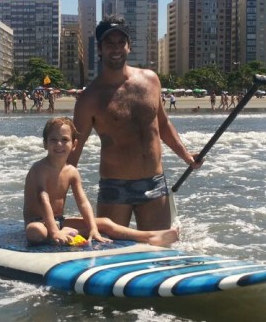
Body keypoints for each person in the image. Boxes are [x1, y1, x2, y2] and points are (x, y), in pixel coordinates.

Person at [70, 15, 200, 231]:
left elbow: (162, 124)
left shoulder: (151, 80)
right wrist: (53, 198)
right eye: (109, 43)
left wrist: (186, 155)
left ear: (129, 47)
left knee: (158, 253)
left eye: (121, 42)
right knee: (111, 255)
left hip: (154, 183)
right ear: (100, 49)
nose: (116, 48)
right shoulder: (89, 99)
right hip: (115, 187)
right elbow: (73, 151)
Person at [24, 117, 179, 247]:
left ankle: (150, 236)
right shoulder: (39, 169)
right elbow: (42, 198)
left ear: (74, 145)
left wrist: (92, 228)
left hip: (60, 221)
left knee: (105, 222)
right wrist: (54, 231)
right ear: (45, 144)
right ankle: (57, 234)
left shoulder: (71, 171)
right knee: (35, 233)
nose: (59, 145)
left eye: (64, 140)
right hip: (38, 222)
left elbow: (83, 202)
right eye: (53, 140)